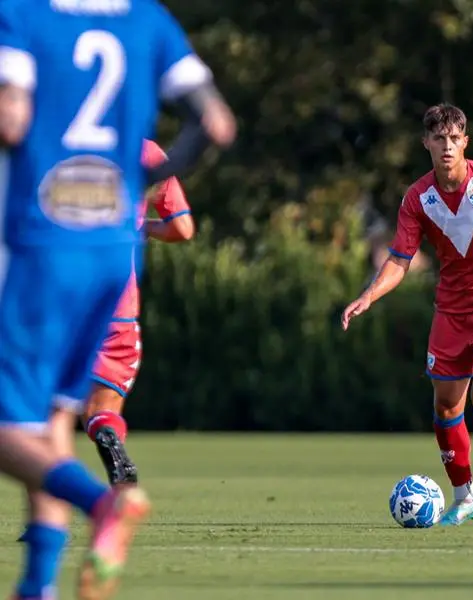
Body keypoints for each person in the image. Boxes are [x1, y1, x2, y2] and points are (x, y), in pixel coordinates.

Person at [0, 1, 236, 599]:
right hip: (113, 256)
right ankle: (38, 587)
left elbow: (10, 119)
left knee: (11, 427)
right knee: (52, 419)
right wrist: (139, 185)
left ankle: (102, 503)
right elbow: (215, 124)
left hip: (41, 241)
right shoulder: (147, 20)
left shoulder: (23, 15)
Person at [341, 103, 473, 526]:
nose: (447, 146)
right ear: (426, 143)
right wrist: (370, 294)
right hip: (453, 311)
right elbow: (400, 259)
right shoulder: (417, 198)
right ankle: (464, 495)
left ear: (465, 143)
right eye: (439, 138)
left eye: (455, 138)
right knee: (444, 410)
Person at [85, 139, 194, 486]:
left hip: (54, 298)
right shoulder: (145, 150)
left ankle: (43, 521)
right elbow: (182, 228)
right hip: (116, 305)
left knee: (42, 417)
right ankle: (108, 443)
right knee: (101, 413)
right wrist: (140, 226)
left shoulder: (50, 133)